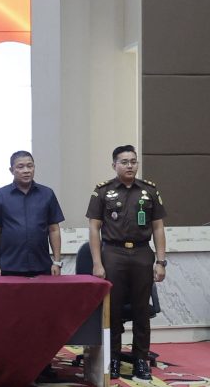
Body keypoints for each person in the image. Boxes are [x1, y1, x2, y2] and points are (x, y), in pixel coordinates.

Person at [86, 145, 167, 380]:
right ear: (114, 165)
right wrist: (97, 262)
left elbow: (158, 227)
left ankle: (141, 361)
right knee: (113, 310)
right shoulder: (103, 191)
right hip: (113, 253)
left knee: (142, 310)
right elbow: (94, 228)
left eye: (133, 161)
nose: (130, 165)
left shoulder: (149, 190)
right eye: (124, 162)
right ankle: (112, 359)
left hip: (142, 254)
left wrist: (161, 261)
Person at [0, 151, 64, 277]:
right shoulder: (0, 196)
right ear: (11, 170)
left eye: (30, 166)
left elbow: (54, 229)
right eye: (20, 167)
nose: (26, 170)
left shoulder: (47, 194)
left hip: (42, 265)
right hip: (8, 266)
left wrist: (57, 261)